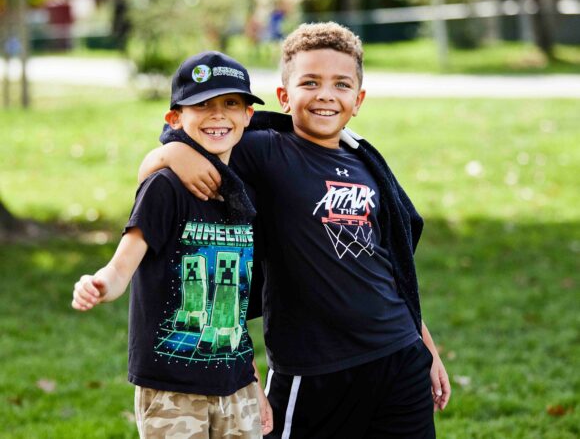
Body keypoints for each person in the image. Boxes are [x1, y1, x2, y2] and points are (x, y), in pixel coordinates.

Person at [138, 22, 451, 439]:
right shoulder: (263, 150)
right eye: (311, 82)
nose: (326, 94)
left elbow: (390, 265)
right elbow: (169, 156)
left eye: (341, 84)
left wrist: (424, 345)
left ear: (358, 100)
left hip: (398, 355)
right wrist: (175, 150)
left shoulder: (367, 165)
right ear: (284, 97)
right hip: (312, 369)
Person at [72, 51, 274, 438]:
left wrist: (251, 380)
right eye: (202, 105)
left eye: (231, 103)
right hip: (171, 387)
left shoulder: (245, 192)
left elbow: (234, 304)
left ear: (248, 115)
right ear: (175, 119)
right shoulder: (164, 187)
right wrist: (100, 284)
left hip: (237, 383)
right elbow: (122, 266)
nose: (218, 115)